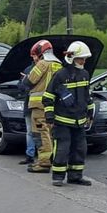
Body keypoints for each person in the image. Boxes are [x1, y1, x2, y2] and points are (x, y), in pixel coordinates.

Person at [43, 40, 94, 187]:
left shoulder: (85, 74)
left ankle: (75, 176)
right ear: (71, 58)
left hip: (79, 121)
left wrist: (90, 112)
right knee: (62, 148)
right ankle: (58, 176)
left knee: (80, 148)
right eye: (81, 58)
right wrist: (50, 117)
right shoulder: (60, 75)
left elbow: (87, 96)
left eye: (84, 59)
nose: (83, 61)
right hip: (62, 121)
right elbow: (48, 97)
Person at [20, 39, 62, 174]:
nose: (33, 58)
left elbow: (29, 81)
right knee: (51, 133)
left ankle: (43, 163)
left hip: (39, 106)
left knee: (39, 133)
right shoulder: (59, 64)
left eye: (34, 55)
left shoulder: (42, 64)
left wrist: (25, 77)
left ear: (40, 53)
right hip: (54, 105)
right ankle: (53, 160)